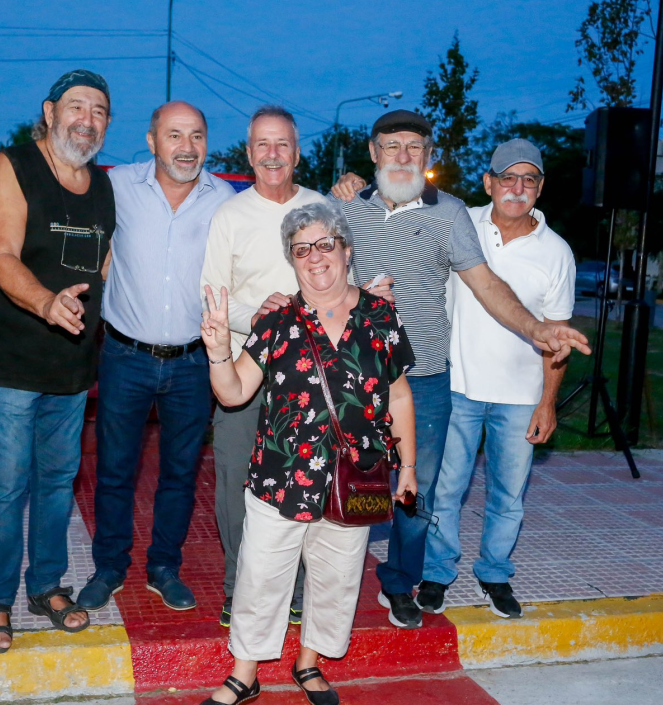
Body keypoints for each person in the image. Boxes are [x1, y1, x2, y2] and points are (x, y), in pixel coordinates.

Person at [328, 110, 590, 629]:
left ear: (429, 156)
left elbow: (486, 284)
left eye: (415, 147)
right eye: (392, 145)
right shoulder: (343, 209)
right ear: (373, 151)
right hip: (356, 375)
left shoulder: (450, 214)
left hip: (427, 378)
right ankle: (328, 583)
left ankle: (400, 582)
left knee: (419, 490)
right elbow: (316, 276)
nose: (403, 156)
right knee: (346, 481)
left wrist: (537, 329)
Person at [199, 202, 417, 705]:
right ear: (291, 259)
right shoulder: (277, 321)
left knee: (336, 577)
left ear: (346, 250)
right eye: (302, 250)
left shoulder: (381, 315)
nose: (315, 258)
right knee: (260, 576)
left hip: (356, 474)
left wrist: (407, 467)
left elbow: (399, 395)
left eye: (324, 245)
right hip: (280, 475)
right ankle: (245, 674)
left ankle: (309, 662)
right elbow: (233, 393)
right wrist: (217, 351)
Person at [0, 69, 114, 653]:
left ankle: (46, 585)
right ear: (50, 113)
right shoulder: (13, 166)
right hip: (7, 360)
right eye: (77, 107)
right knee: (5, 483)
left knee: (56, 481)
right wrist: (47, 302)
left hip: (70, 365)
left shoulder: (102, 185)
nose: (87, 120)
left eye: (98, 111)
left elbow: (104, 268)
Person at [76, 102, 235, 612]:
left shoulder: (223, 199)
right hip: (125, 356)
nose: (186, 147)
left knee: (181, 473)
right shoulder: (117, 186)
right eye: (174, 135)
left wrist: (347, 189)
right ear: (151, 141)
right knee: (114, 470)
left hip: (193, 361)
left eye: (196, 136)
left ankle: (164, 567)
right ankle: (109, 567)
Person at [416, 139, 576, 619]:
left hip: (520, 398)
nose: (517, 188)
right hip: (458, 387)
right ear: (489, 183)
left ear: (540, 188)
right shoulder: (460, 224)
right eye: (507, 178)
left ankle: (495, 573)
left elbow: (558, 339)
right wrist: (356, 185)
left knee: (508, 495)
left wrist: (547, 403)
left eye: (529, 179)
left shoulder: (557, 253)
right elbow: (400, 211)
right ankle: (436, 573)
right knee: (445, 490)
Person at [201, 106, 334, 627]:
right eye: (263, 144)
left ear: (297, 153)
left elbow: (340, 281)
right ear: (249, 153)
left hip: (309, 379)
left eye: (282, 144)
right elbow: (211, 294)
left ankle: (295, 587)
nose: (273, 154)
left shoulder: (321, 208)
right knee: (236, 481)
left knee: (304, 480)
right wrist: (256, 315)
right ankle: (240, 586)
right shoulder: (230, 216)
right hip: (243, 369)